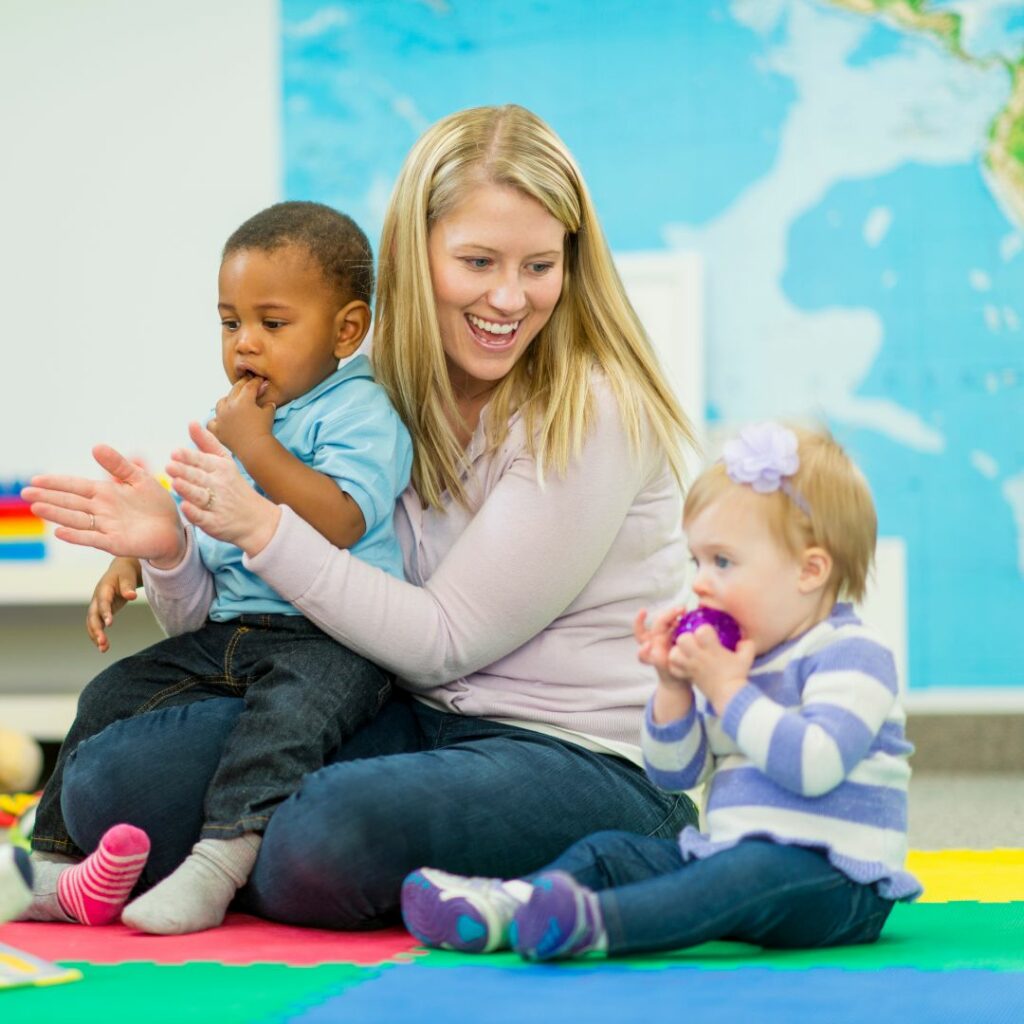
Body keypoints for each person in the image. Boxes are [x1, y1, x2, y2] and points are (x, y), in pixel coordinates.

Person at [24, 104, 699, 932]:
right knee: (109, 786)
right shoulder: (365, 389)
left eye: (539, 265)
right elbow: (228, 612)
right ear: (417, 261)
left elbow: (445, 638)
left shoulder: (594, 409)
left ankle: (631, 852)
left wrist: (263, 526)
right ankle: (260, 859)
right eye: (477, 261)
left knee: (323, 837)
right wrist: (169, 547)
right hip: (404, 715)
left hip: (572, 751)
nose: (508, 297)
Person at [21, 201, 412, 933]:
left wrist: (256, 447)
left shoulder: (358, 411)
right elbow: (215, 529)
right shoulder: (245, 419)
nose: (246, 345)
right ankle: (56, 863)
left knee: (283, 725)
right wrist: (144, 552)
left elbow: (341, 519)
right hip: (234, 630)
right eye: (231, 323)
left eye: (273, 323)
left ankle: (220, 861)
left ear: (346, 329)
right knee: (114, 690)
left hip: (331, 642)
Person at [400, 422, 922, 959]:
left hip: (839, 880)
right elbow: (675, 774)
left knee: (746, 871)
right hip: (728, 858)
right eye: (697, 561)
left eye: (723, 561)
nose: (699, 581)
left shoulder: (852, 653)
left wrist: (727, 691)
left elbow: (816, 765)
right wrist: (673, 688)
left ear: (810, 570)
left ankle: (595, 926)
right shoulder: (738, 662)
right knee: (611, 853)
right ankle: (509, 907)